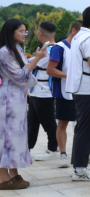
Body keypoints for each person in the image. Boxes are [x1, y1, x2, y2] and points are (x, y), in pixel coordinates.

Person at [0, 20, 44, 190]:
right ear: (11, 32)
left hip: (16, 99)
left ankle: (13, 173)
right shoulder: (4, 52)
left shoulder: (15, 49)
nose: (24, 34)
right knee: (5, 137)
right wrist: (37, 59)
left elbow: (24, 68)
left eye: (25, 31)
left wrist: (36, 59)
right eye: (21, 31)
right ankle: (3, 177)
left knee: (15, 137)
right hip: (7, 100)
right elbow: (19, 75)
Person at [66, 5, 90, 181]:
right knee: (85, 129)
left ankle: (81, 166)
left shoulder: (79, 36)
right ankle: (80, 170)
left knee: (83, 129)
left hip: (81, 88)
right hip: (88, 89)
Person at [47, 21, 81, 168]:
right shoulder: (59, 48)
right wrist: (70, 75)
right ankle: (63, 154)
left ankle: (86, 152)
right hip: (64, 91)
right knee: (62, 124)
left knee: (83, 125)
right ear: (73, 31)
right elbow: (50, 70)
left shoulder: (81, 47)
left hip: (81, 91)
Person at [28, 21, 59, 161]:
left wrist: (32, 58)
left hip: (44, 90)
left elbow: (32, 64)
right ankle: (27, 148)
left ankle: (52, 148)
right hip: (36, 90)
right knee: (32, 122)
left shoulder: (49, 50)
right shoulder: (51, 48)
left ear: (40, 33)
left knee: (48, 122)